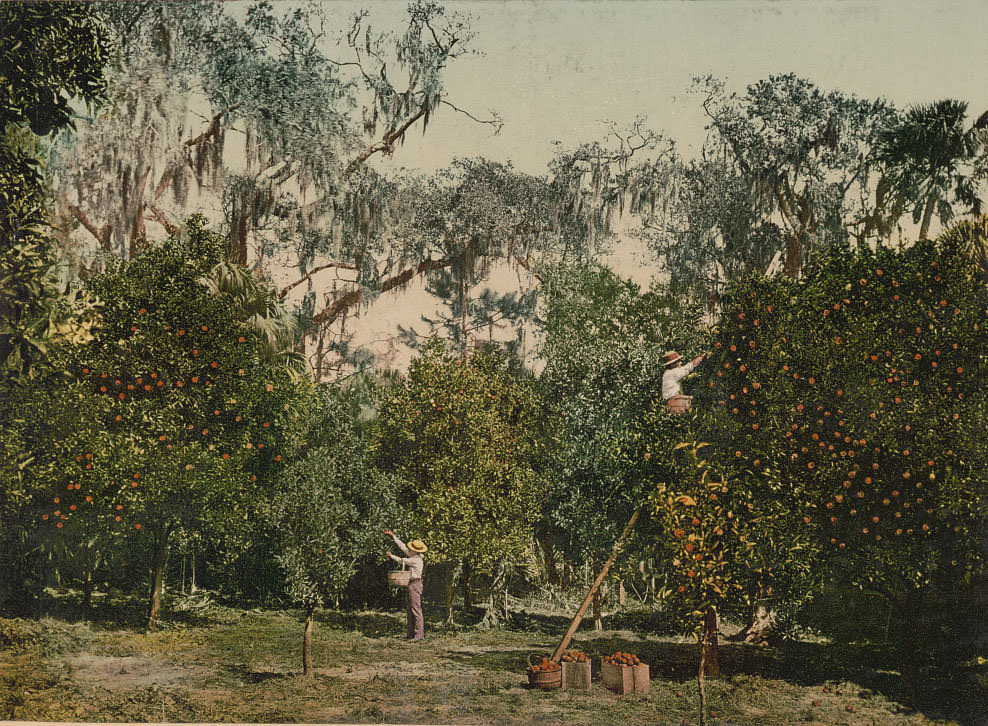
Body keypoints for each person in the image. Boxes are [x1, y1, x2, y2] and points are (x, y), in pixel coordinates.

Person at [384, 529, 427, 641]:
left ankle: (418, 635)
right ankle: (411, 634)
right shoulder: (416, 556)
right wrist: (393, 536)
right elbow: (403, 547)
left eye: (411, 549)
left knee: (416, 610)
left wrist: (391, 555)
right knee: (411, 609)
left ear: (415, 551)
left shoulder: (415, 560)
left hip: (415, 584)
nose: (409, 550)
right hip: (412, 584)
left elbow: (401, 560)